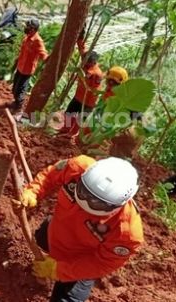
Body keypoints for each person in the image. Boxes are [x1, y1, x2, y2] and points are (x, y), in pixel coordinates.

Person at [19, 156, 143, 302]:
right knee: (41, 236)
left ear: (119, 204)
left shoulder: (126, 233)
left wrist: (59, 271)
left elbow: (102, 263)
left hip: (78, 261)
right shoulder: (77, 167)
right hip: (55, 232)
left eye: (97, 203)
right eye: (85, 192)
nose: (86, 201)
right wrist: (33, 191)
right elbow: (50, 175)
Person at [61, 51, 103, 136]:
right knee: (70, 112)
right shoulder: (85, 65)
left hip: (88, 101)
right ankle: (65, 129)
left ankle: (72, 133)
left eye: (87, 62)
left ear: (92, 62)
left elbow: (93, 89)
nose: (85, 64)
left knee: (80, 118)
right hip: (78, 96)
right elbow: (82, 48)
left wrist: (84, 78)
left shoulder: (97, 73)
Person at [10, 18, 48, 111]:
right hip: (20, 67)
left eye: (29, 27)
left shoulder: (38, 41)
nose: (26, 28)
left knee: (21, 91)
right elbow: (22, 52)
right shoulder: (27, 37)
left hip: (27, 70)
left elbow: (43, 53)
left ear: (34, 29)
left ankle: (18, 109)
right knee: (14, 89)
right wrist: (16, 62)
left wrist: (47, 59)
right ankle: (15, 103)